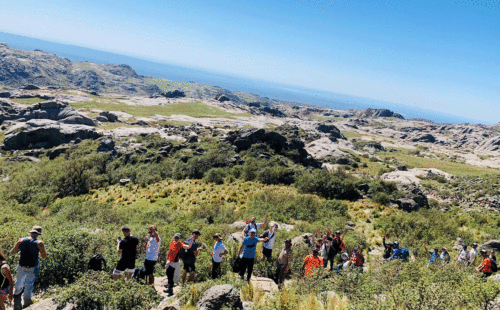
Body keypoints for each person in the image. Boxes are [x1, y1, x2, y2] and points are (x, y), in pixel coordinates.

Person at [12, 226, 47, 308]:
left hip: (22, 265)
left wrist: (18, 243)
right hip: (33, 267)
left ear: (31, 232)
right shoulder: (39, 243)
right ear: (38, 234)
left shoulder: (21, 240)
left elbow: (13, 252)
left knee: (19, 282)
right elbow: (44, 256)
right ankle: (27, 303)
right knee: (29, 285)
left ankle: (17, 298)